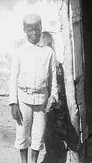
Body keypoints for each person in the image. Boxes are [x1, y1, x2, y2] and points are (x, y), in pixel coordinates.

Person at [9, 14, 59, 163]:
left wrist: (53, 96)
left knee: (38, 135)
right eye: (30, 30)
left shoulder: (48, 52)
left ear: (41, 29)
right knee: (22, 134)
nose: (34, 33)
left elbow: (53, 77)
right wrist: (13, 103)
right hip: (23, 99)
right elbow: (13, 78)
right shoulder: (19, 52)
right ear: (24, 30)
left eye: (37, 29)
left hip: (41, 101)